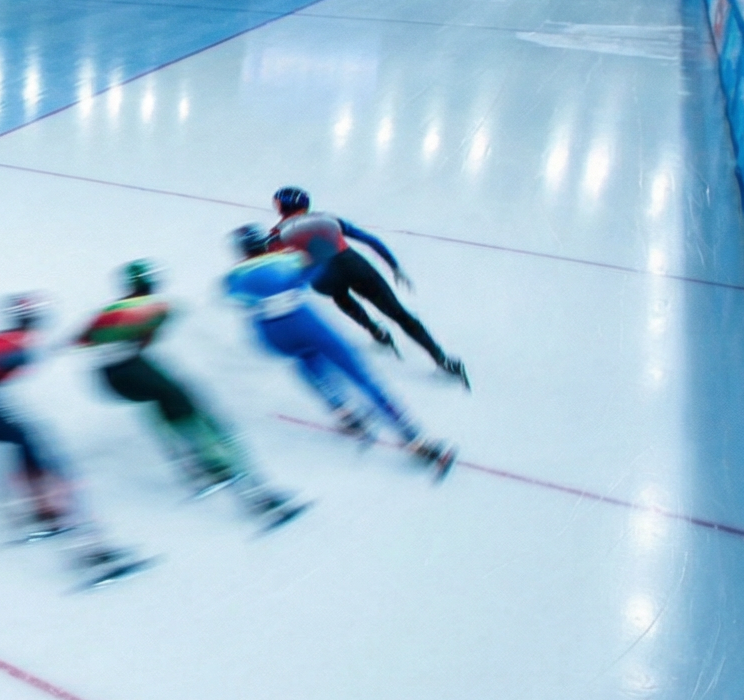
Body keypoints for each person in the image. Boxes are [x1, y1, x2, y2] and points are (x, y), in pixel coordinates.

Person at [0, 296, 150, 586]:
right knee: (49, 458)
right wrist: (0, 363)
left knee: (24, 447)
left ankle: (42, 514)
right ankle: (87, 547)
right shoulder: (17, 341)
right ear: (32, 319)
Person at [74, 263, 304, 530]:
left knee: (164, 403)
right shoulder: (157, 307)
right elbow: (155, 326)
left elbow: (82, 339)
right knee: (198, 415)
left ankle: (191, 465)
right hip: (132, 367)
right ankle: (248, 488)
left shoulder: (110, 310)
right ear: (150, 284)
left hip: (111, 377)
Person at [223, 227, 454, 477]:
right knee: (362, 377)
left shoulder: (232, 279)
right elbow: (314, 272)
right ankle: (415, 439)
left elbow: (241, 299)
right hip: (306, 323)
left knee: (305, 358)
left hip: (272, 337)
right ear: (264, 245)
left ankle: (342, 410)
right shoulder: (287, 260)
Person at [269, 188, 465, 385]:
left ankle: (376, 331)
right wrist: (394, 266)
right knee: (399, 313)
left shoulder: (276, 235)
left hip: (322, 276)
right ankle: (441, 359)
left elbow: (278, 267)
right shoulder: (327, 218)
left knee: (341, 297)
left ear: (281, 207)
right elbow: (369, 240)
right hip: (353, 265)